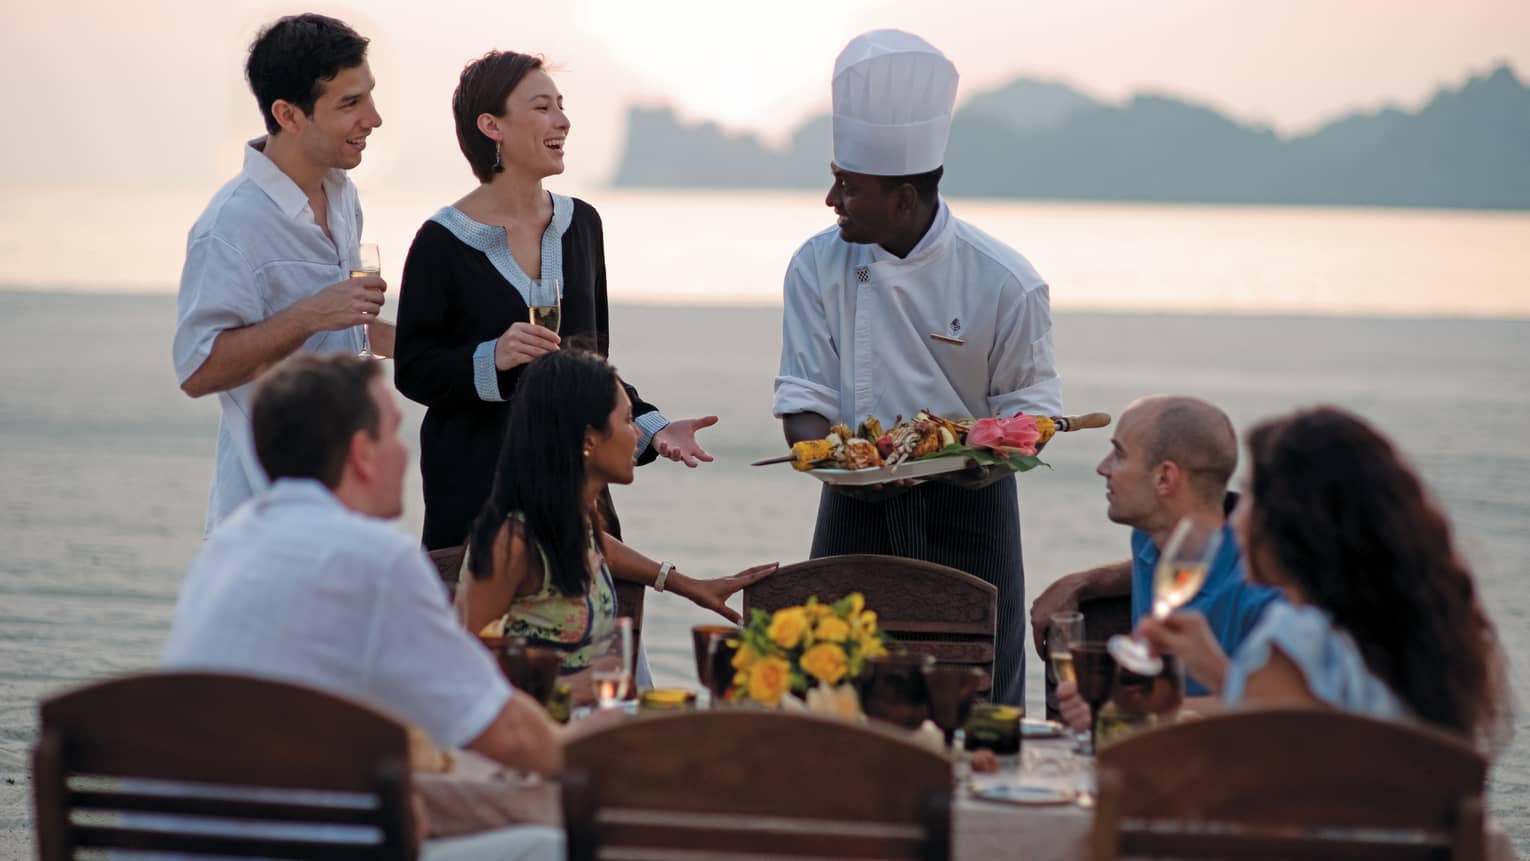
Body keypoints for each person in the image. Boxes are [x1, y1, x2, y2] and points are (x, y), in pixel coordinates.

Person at [163, 353, 570, 858]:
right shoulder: (375, 559)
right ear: (362, 453)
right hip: (296, 844)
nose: (405, 452)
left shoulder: (229, 545)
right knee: (552, 846)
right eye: (395, 433)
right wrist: (595, 762)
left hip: (198, 841)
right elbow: (506, 733)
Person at [773, 30, 1060, 705]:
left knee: (982, 696)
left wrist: (990, 452)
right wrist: (835, 460)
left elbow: (1035, 410)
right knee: (834, 686)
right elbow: (803, 396)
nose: (830, 200)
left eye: (849, 187)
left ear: (904, 198)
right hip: (852, 503)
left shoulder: (1005, 281)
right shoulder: (816, 265)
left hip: (973, 507)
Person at [394, 50, 715, 554]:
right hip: (478, 495)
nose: (562, 120)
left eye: (561, 106)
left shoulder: (582, 225)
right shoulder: (441, 241)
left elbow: (591, 366)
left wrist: (653, 426)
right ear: (491, 125)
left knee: (600, 627)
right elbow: (412, 370)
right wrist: (489, 358)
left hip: (578, 493)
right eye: (542, 107)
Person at [1139, 407, 1512, 751]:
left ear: (1294, 522)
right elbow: (1314, 728)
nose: (1236, 520)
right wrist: (1219, 672)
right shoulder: (1409, 638)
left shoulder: (1295, 640)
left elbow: (1271, 783)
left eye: (1252, 497)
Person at [173, 14, 393, 535]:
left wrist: (450, 350)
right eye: (349, 104)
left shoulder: (342, 193)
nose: (374, 118)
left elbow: (344, 333)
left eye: (369, 96)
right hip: (265, 518)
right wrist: (313, 313)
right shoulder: (230, 226)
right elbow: (197, 370)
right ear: (288, 115)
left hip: (349, 502)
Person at [455, 350, 776, 700]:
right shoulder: (511, 542)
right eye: (626, 420)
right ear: (588, 438)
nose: (639, 435)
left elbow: (601, 546)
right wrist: (574, 687)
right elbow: (457, 673)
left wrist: (691, 586)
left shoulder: (573, 525)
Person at [1029, 396, 1279, 729]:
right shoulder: (1152, 538)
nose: (1102, 468)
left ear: (1164, 478)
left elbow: (1275, 709)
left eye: (1119, 454)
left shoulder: (1264, 581)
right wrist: (1082, 582)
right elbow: (1176, 571)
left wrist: (1125, 713)